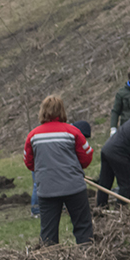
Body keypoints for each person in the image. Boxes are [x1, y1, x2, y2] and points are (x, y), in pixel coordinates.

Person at [24, 95, 94, 246]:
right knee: (83, 227)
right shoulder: (72, 132)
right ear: (62, 111)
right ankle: (88, 256)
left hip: (47, 189)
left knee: (48, 233)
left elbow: (29, 162)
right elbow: (87, 156)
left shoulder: (33, 136)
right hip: (74, 187)